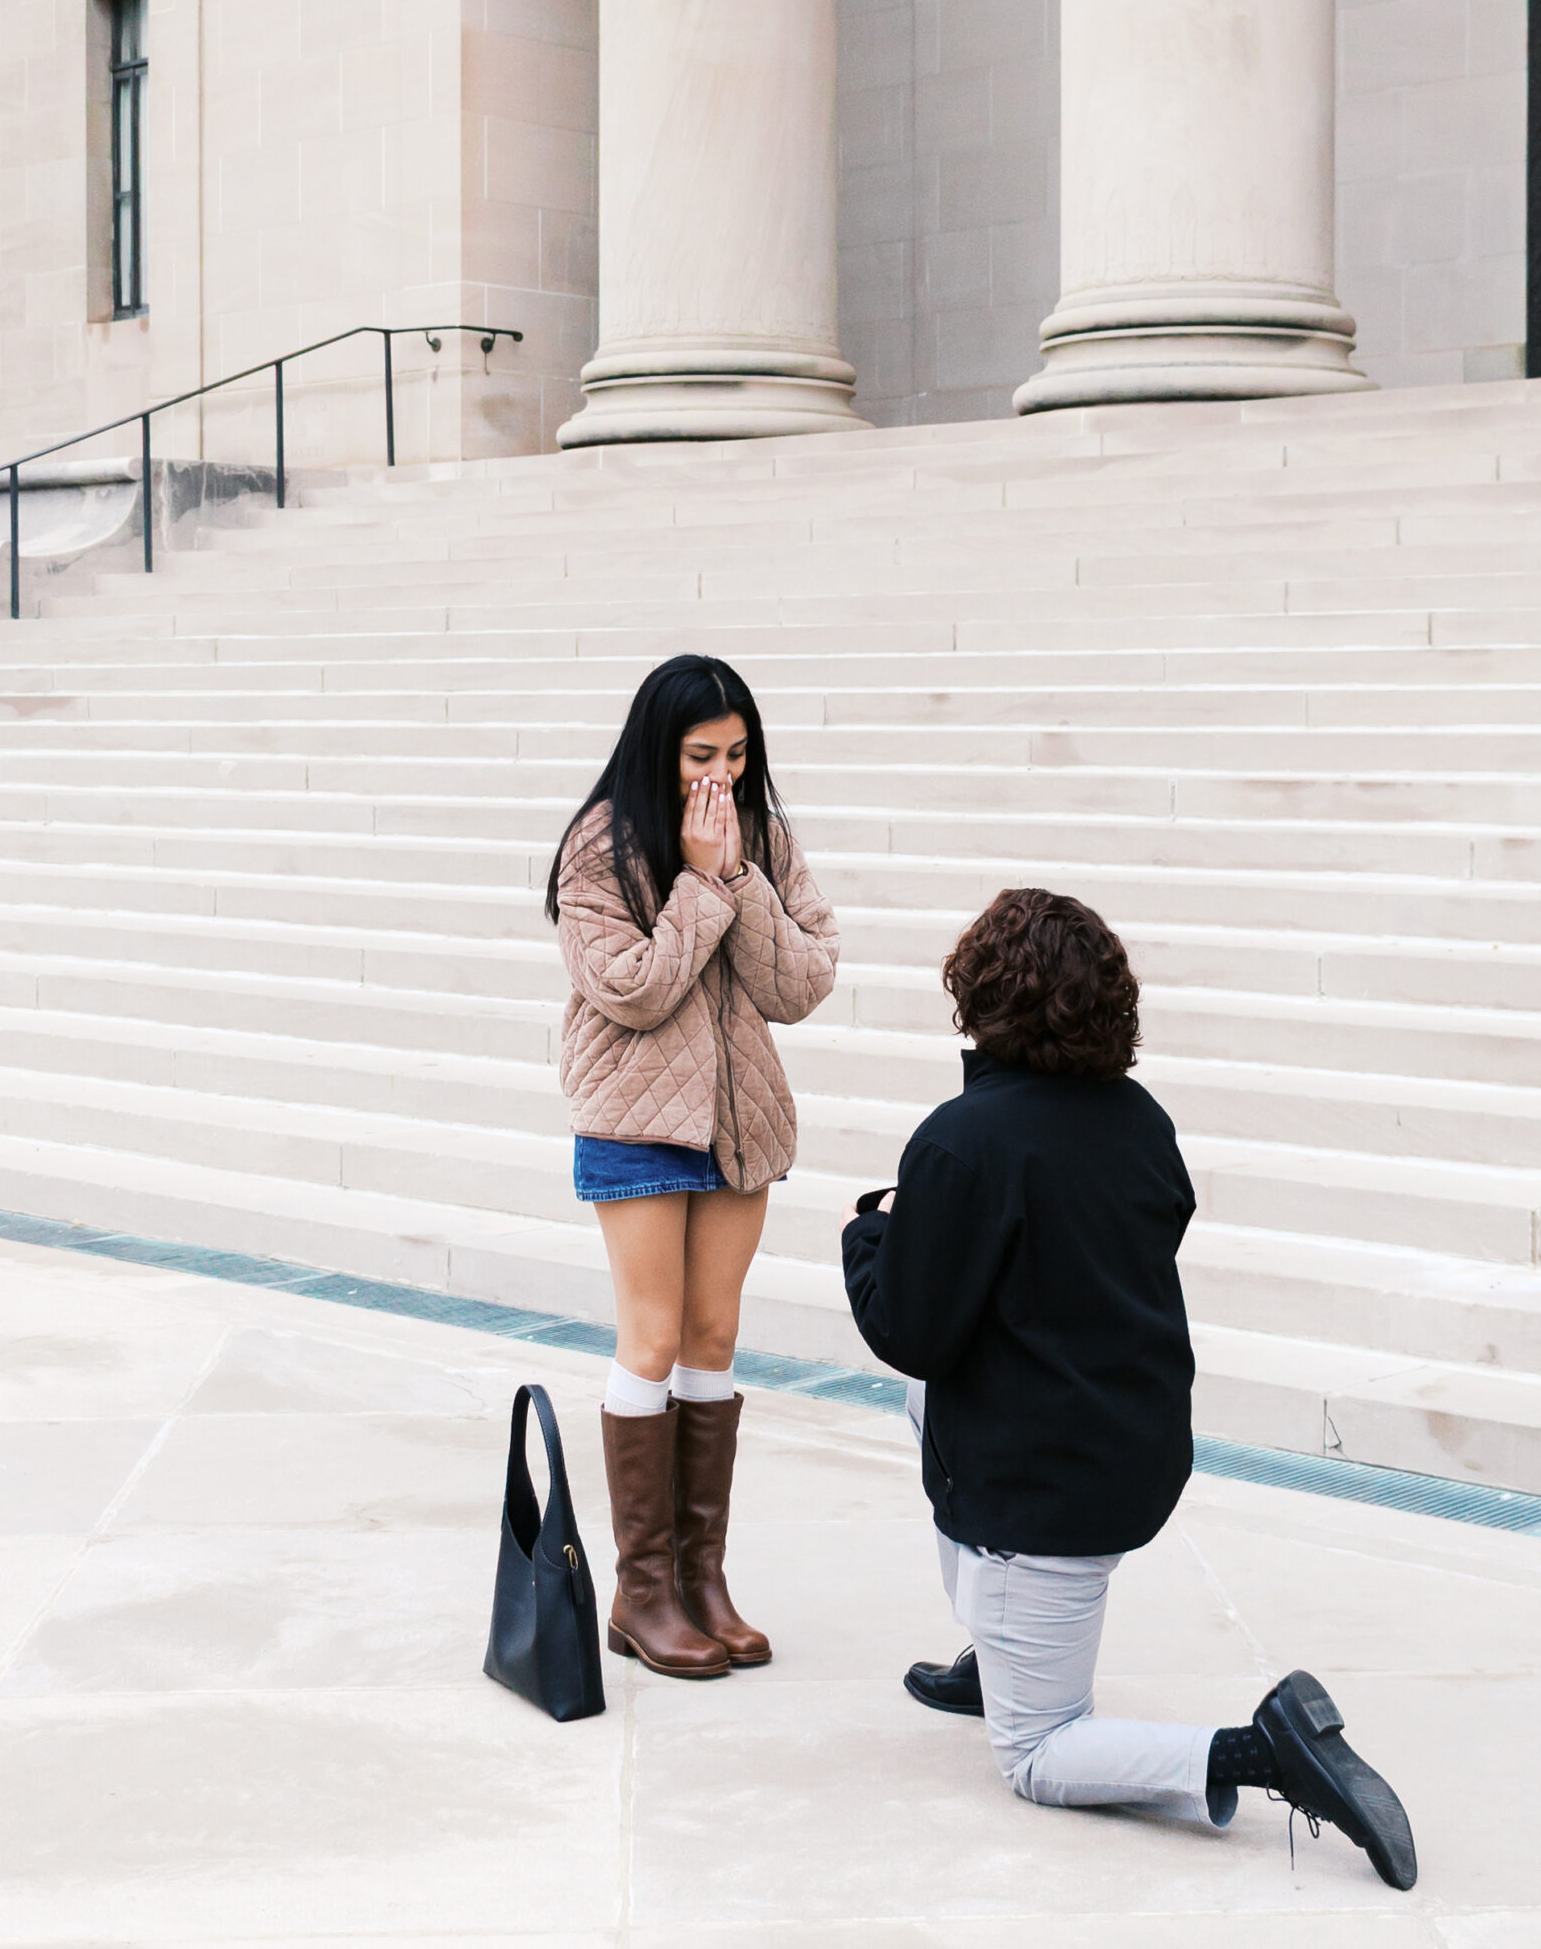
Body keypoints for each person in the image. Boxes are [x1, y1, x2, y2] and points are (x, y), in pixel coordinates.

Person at [840, 888, 1417, 1891]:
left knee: (1037, 1755)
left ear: (977, 1001)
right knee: (931, 1407)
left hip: (1046, 1490)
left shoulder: (960, 1142)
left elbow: (909, 1329)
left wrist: (873, 1231)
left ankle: (1267, 1749)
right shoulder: (1141, 1122)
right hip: (1134, 1449)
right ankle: (999, 1648)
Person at [547, 653, 839, 1680]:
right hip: (633, 1118)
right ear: (656, 750)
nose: (720, 773)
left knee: (714, 1337)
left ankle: (700, 1581)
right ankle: (641, 1589)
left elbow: (799, 977)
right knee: (653, 1336)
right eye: (699, 754)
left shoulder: (757, 835)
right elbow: (628, 988)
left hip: (734, 1120)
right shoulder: (600, 844)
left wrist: (730, 874)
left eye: (737, 753)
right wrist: (693, 885)